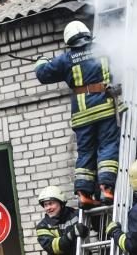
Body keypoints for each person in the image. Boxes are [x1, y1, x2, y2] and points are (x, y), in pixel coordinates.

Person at [35, 20, 122, 209]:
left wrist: (41, 60)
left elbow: (42, 74)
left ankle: (84, 194)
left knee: (85, 153)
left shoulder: (66, 59)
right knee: (107, 147)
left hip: (82, 115)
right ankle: (107, 189)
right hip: (104, 107)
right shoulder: (103, 49)